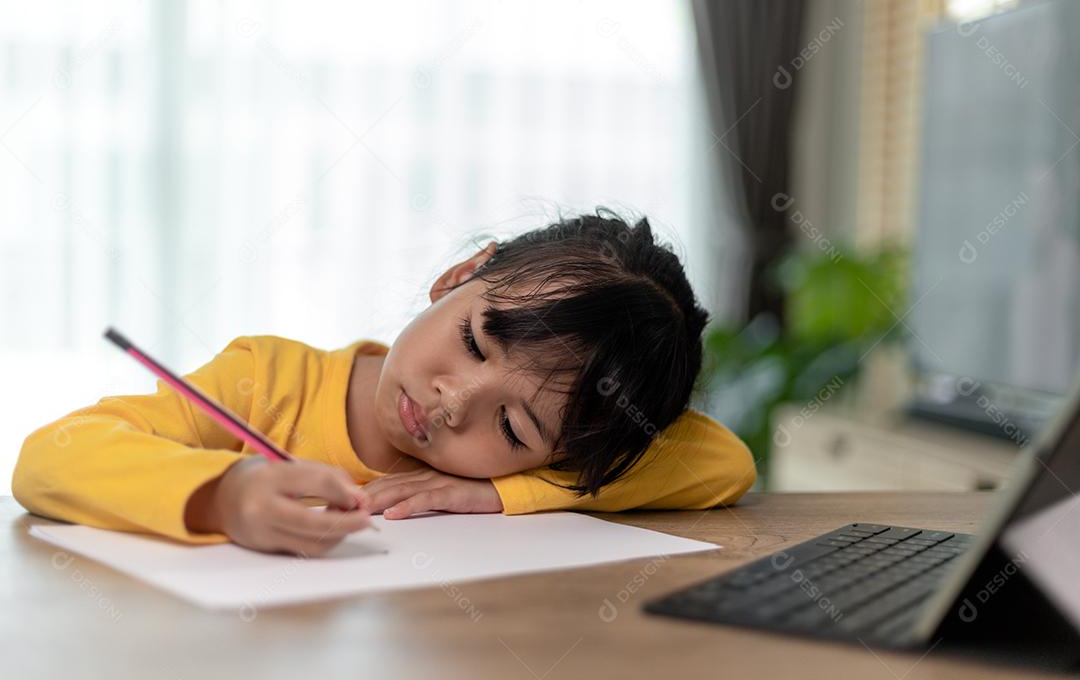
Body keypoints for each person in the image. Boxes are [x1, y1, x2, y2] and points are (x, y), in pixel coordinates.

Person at [12, 207, 755, 558]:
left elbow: (725, 463)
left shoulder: (551, 452)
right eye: (473, 341)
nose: (454, 401)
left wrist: (496, 491)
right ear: (460, 277)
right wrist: (224, 495)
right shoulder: (267, 382)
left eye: (512, 428)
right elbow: (50, 457)